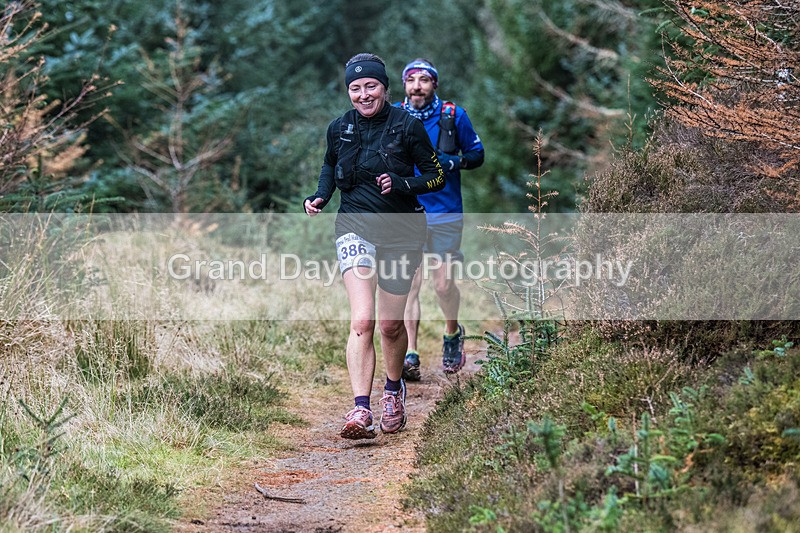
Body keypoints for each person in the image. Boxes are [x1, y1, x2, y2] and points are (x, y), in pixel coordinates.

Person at [304, 53, 445, 440]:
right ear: (348, 91)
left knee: (389, 325)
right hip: (354, 226)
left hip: (402, 230)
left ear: (385, 88)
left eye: (371, 86)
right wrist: (319, 197)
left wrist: (402, 184)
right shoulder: (339, 128)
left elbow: (436, 177)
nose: (363, 95)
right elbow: (330, 167)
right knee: (362, 320)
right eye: (355, 88)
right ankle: (360, 409)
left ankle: (393, 389)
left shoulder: (407, 127)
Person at [395, 58, 485, 380]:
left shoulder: (452, 116)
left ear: (434, 84)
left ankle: (451, 333)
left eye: (424, 80)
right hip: (407, 212)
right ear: (404, 85)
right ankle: (410, 354)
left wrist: (453, 162)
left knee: (443, 285)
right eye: (411, 80)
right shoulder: (393, 115)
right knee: (410, 286)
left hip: (445, 212)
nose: (417, 85)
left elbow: (478, 156)